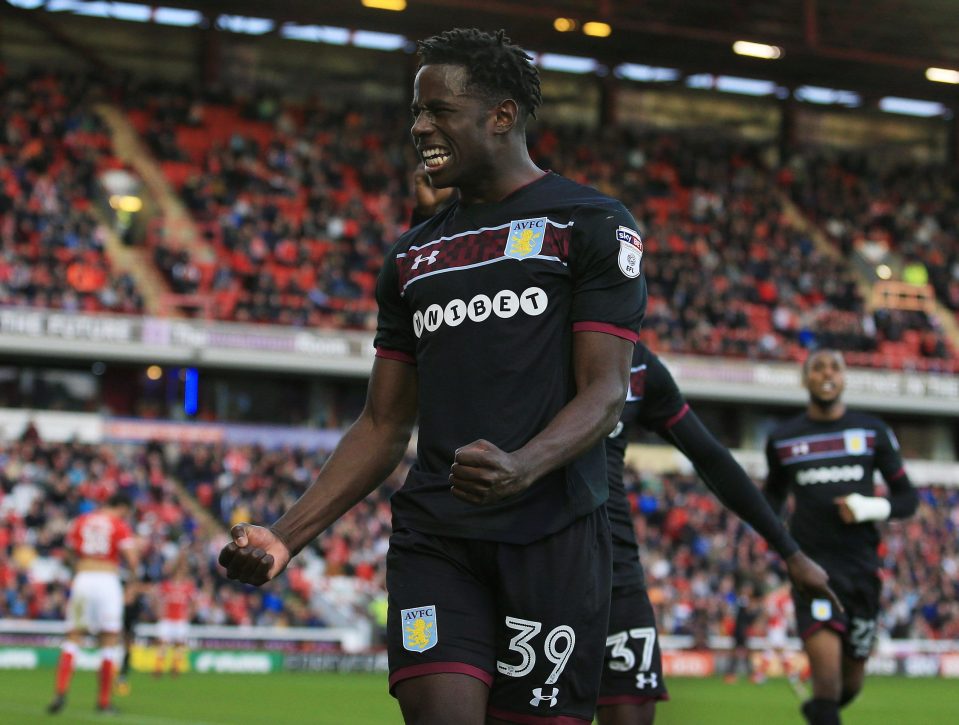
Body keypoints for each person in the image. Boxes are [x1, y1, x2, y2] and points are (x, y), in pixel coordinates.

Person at [219, 27, 647, 725]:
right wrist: (285, 534)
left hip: (554, 535)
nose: (419, 127)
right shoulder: (412, 257)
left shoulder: (592, 223)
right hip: (436, 537)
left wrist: (521, 464)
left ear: (501, 115)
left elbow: (604, 392)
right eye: (416, 112)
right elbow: (384, 423)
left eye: (438, 110)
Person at [597, 342, 838, 725]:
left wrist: (789, 551)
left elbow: (711, 458)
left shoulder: (639, 366)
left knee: (634, 710)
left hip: (616, 568)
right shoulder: (534, 340)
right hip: (538, 558)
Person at [763, 348, 918, 725]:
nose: (827, 373)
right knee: (828, 687)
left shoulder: (871, 432)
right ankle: (823, 707)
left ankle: (818, 711)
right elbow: (770, 503)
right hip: (813, 573)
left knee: (848, 688)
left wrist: (868, 508)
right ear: (806, 379)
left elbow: (907, 499)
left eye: (835, 366)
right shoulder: (783, 441)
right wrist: (784, 553)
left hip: (863, 574)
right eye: (818, 367)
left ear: (845, 377)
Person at [47, 492, 138, 715]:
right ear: (123, 508)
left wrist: (77, 567)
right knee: (108, 642)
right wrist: (132, 585)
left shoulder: (81, 521)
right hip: (107, 581)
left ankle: (60, 692)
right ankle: (104, 702)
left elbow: (68, 552)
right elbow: (132, 560)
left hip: (83, 580)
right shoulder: (119, 525)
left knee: (73, 638)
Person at [153, 557, 195, 677]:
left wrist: (190, 614)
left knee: (179, 643)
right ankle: (158, 668)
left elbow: (193, 602)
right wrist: (158, 612)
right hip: (167, 619)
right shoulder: (166, 586)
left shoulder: (188, 587)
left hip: (180, 619)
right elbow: (157, 599)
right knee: (162, 642)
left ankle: (175, 667)